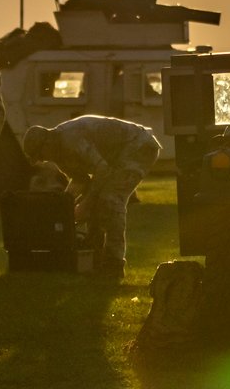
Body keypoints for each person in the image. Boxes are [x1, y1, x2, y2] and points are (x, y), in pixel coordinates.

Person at [24, 115, 159, 278]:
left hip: (139, 146)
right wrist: (65, 207)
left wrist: (86, 205)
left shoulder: (71, 139)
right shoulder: (58, 154)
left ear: (47, 143)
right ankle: (95, 254)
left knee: (110, 199)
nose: (43, 160)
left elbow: (102, 170)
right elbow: (81, 181)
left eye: (40, 154)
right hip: (117, 157)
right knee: (97, 199)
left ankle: (114, 264)